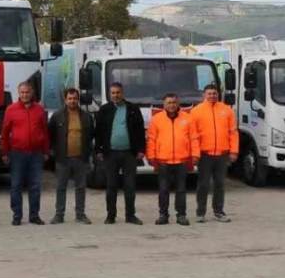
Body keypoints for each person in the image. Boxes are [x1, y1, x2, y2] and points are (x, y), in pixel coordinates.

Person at [95, 82, 146, 225]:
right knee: (111, 186)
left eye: (118, 92)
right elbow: (99, 131)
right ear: (110, 94)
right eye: (113, 93)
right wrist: (98, 149)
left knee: (130, 186)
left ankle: (130, 215)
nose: (115, 95)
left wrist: (141, 150)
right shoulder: (104, 110)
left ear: (122, 93)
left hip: (129, 154)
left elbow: (140, 131)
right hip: (110, 154)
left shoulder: (133, 109)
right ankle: (110, 215)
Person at [0, 81, 50, 226]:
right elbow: (4, 133)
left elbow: (44, 132)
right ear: (18, 93)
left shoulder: (40, 110)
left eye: (27, 92)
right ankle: (17, 215)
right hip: (17, 153)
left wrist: (46, 151)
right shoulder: (11, 109)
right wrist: (5, 153)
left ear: (32, 93)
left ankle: (34, 215)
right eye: (22, 92)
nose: (24, 95)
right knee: (16, 185)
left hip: (36, 153)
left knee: (35, 185)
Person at [146, 93, 199, 226]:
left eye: (174, 102)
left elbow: (194, 138)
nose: (171, 105)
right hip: (163, 160)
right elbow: (151, 139)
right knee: (163, 189)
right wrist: (151, 156)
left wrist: (195, 155)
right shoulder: (156, 119)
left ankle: (181, 215)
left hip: (181, 160)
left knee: (181, 190)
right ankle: (163, 215)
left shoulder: (188, 118)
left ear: (178, 103)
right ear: (164, 105)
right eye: (169, 103)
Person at [191, 84, 238, 223]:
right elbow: (193, 135)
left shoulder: (227, 110)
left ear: (218, 95)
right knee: (203, 184)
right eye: (209, 94)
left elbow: (233, 132)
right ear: (204, 95)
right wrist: (195, 154)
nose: (212, 96)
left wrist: (233, 151)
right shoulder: (196, 111)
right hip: (204, 154)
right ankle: (200, 212)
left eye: (214, 93)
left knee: (220, 184)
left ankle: (218, 211)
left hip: (222, 154)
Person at [48, 87, 95, 224]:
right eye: (69, 98)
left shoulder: (87, 117)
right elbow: (51, 135)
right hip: (63, 158)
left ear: (78, 99)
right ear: (65, 99)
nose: (72, 101)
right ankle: (59, 214)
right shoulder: (57, 116)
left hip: (81, 158)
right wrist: (54, 152)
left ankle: (80, 214)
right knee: (61, 187)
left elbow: (91, 134)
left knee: (80, 187)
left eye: (74, 98)